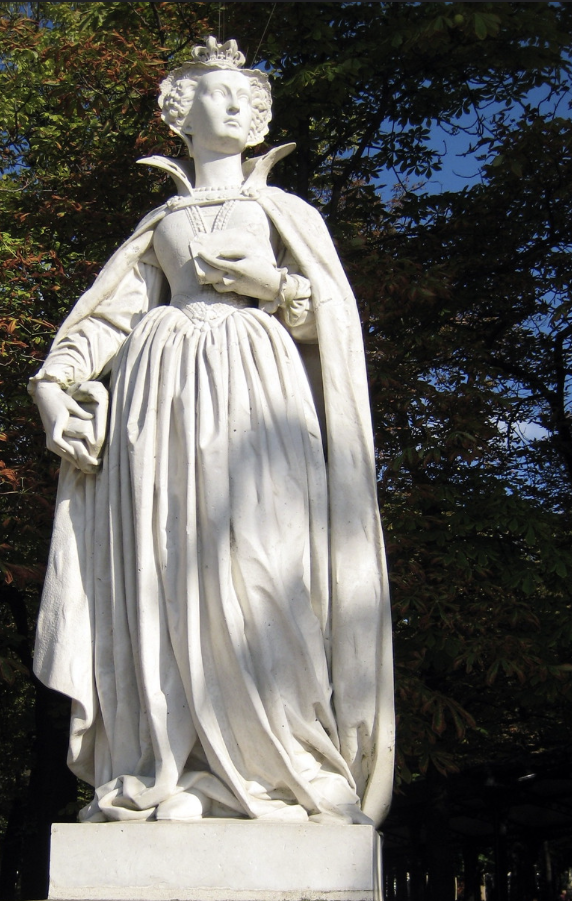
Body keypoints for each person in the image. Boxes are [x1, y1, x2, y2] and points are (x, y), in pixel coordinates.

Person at [29, 37, 394, 825]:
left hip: (259, 397)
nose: (233, 105)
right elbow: (105, 318)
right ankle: (175, 765)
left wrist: (276, 286)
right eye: (213, 92)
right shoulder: (160, 220)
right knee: (166, 571)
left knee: (269, 568)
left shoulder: (285, 213)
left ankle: (283, 763)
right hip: (158, 402)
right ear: (177, 110)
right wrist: (54, 390)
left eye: (243, 96)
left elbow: (332, 319)